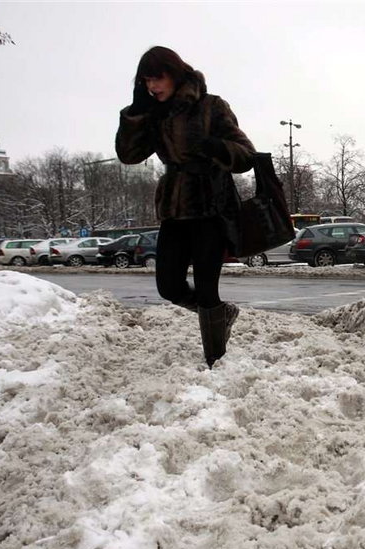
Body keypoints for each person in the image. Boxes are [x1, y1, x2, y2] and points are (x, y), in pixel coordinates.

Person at [116, 46, 255, 367]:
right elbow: (129, 155)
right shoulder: (154, 114)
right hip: (175, 211)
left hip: (211, 208)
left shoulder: (211, 106)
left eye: (157, 78)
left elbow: (245, 155)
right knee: (168, 285)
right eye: (146, 80)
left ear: (175, 74)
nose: (152, 86)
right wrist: (136, 112)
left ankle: (215, 360)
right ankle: (224, 313)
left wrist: (213, 146)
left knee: (207, 289)